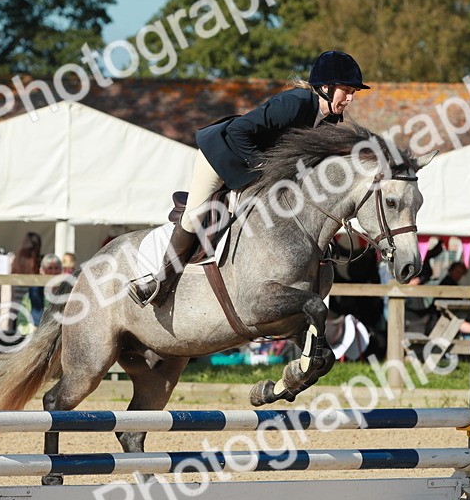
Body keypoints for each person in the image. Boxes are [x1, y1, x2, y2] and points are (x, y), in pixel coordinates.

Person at [128, 50, 370, 307]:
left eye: (353, 92)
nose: (351, 98)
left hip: (260, 168)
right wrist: (264, 167)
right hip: (222, 154)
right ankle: (160, 282)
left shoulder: (330, 119)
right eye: (347, 90)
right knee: (196, 213)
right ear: (326, 87)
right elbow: (237, 131)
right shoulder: (294, 103)